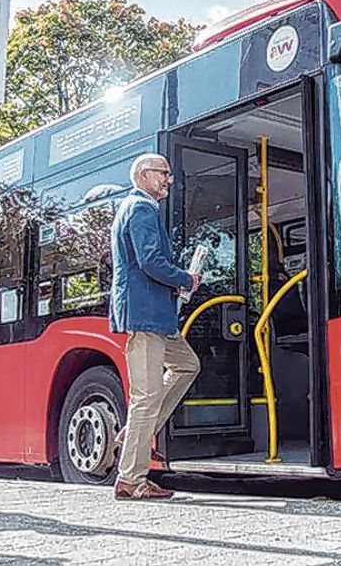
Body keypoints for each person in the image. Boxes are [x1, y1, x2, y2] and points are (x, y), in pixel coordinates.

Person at [110, 153, 201, 500]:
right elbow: (151, 261)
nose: (168, 180)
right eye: (164, 174)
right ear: (145, 175)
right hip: (146, 315)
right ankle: (131, 480)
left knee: (187, 364)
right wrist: (186, 278)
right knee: (145, 397)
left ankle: (133, 432)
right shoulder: (141, 209)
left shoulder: (135, 209)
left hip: (155, 315)